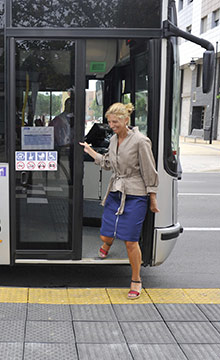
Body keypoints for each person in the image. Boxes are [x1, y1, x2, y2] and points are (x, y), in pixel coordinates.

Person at [79, 102, 159, 300]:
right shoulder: (114, 140)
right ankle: (107, 244)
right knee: (105, 234)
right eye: (109, 121)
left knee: (131, 241)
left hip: (135, 194)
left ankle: (136, 280)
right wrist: (90, 151)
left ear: (126, 120)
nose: (111, 125)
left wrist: (152, 197)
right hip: (115, 191)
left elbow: (150, 170)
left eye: (115, 121)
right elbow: (108, 163)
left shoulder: (141, 141)